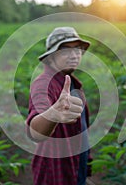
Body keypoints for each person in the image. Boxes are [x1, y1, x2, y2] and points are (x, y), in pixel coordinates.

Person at [26, 27, 92, 185]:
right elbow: (34, 132)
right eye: (65, 50)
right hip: (55, 173)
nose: (74, 54)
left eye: (77, 49)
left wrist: (85, 166)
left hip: (75, 167)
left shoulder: (71, 83)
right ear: (50, 57)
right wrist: (53, 114)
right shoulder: (44, 84)